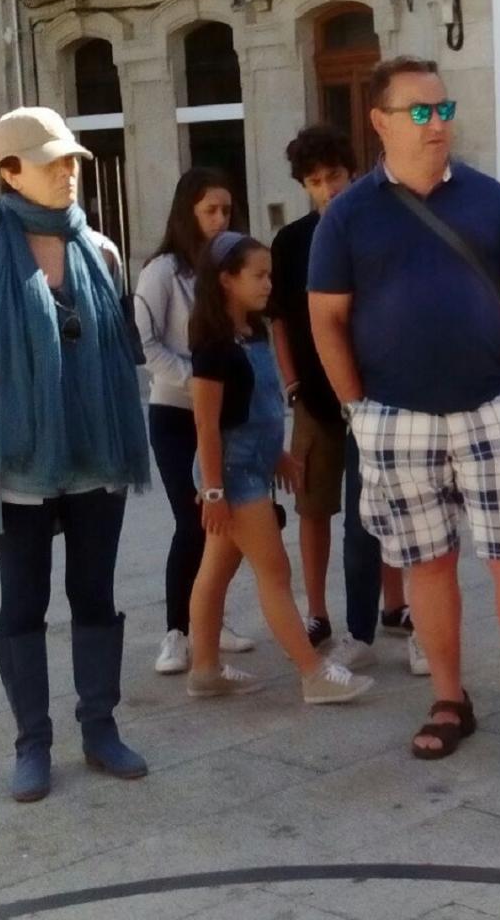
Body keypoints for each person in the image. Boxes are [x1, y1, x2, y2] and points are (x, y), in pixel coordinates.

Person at [309, 56, 500, 760]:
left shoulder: (487, 198)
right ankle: (449, 700)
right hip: (395, 417)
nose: (436, 123)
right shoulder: (348, 215)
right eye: (419, 111)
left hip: (489, 409)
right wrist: (358, 409)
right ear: (380, 121)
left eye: (443, 109)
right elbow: (325, 317)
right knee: (428, 566)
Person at [0, 106, 152, 802]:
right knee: (22, 600)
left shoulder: (100, 250)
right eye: (51, 163)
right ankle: (32, 743)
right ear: (9, 171)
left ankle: (100, 728)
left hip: (95, 451)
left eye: (72, 161)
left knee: (95, 593)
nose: (67, 174)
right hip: (16, 459)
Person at [183, 231, 374, 704]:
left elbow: (263, 408)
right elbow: (207, 425)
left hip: (251, 469)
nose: (269, 283)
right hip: (231, 476)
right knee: (275, 570)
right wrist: (213, 491)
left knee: (215, 570)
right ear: (226, 280)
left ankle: (204, 670)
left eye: (270, 274)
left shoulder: (253, 332)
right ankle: (312, 673)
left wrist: (279, 457)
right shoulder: (212, 347)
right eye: (259, 275)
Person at [268, 125, 410, 673]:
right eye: (314, 181)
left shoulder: (379, 229)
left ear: (352, 173)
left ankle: (393, 605)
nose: (326, 189)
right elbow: (280, 319)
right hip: (314, 397)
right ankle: (319, 612)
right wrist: (292, 384)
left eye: (333, 177)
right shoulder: (292, 242)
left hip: (374, 393)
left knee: (383, 507)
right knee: (313, 504)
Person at [135, 168, 256, 675]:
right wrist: (194, 377)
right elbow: (143, 341)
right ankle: (176, 632)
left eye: (226, 209)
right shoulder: (162, 272)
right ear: (189, 212)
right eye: (210, 209)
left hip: (225, 416)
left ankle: (210, 619)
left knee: (224, 526)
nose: (219, 218)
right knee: (193, 519)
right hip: (175, 413)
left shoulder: (229, 270)